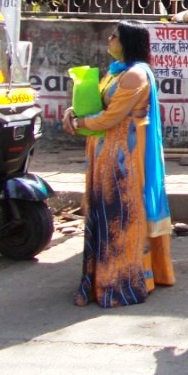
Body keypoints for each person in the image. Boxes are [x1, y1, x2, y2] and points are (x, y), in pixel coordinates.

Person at [61, 20, 174, 308]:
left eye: (115, 36)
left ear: (128, 42)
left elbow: (111, 117)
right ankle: (98, 280)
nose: (109, 39)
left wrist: (81, 123)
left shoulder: (134, 76)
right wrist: (73, 112)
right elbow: (96, 105)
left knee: (120, 212)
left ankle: (121, 282)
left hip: (123, 153)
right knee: (100, 210)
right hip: (103, 149)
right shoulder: (115, 73)